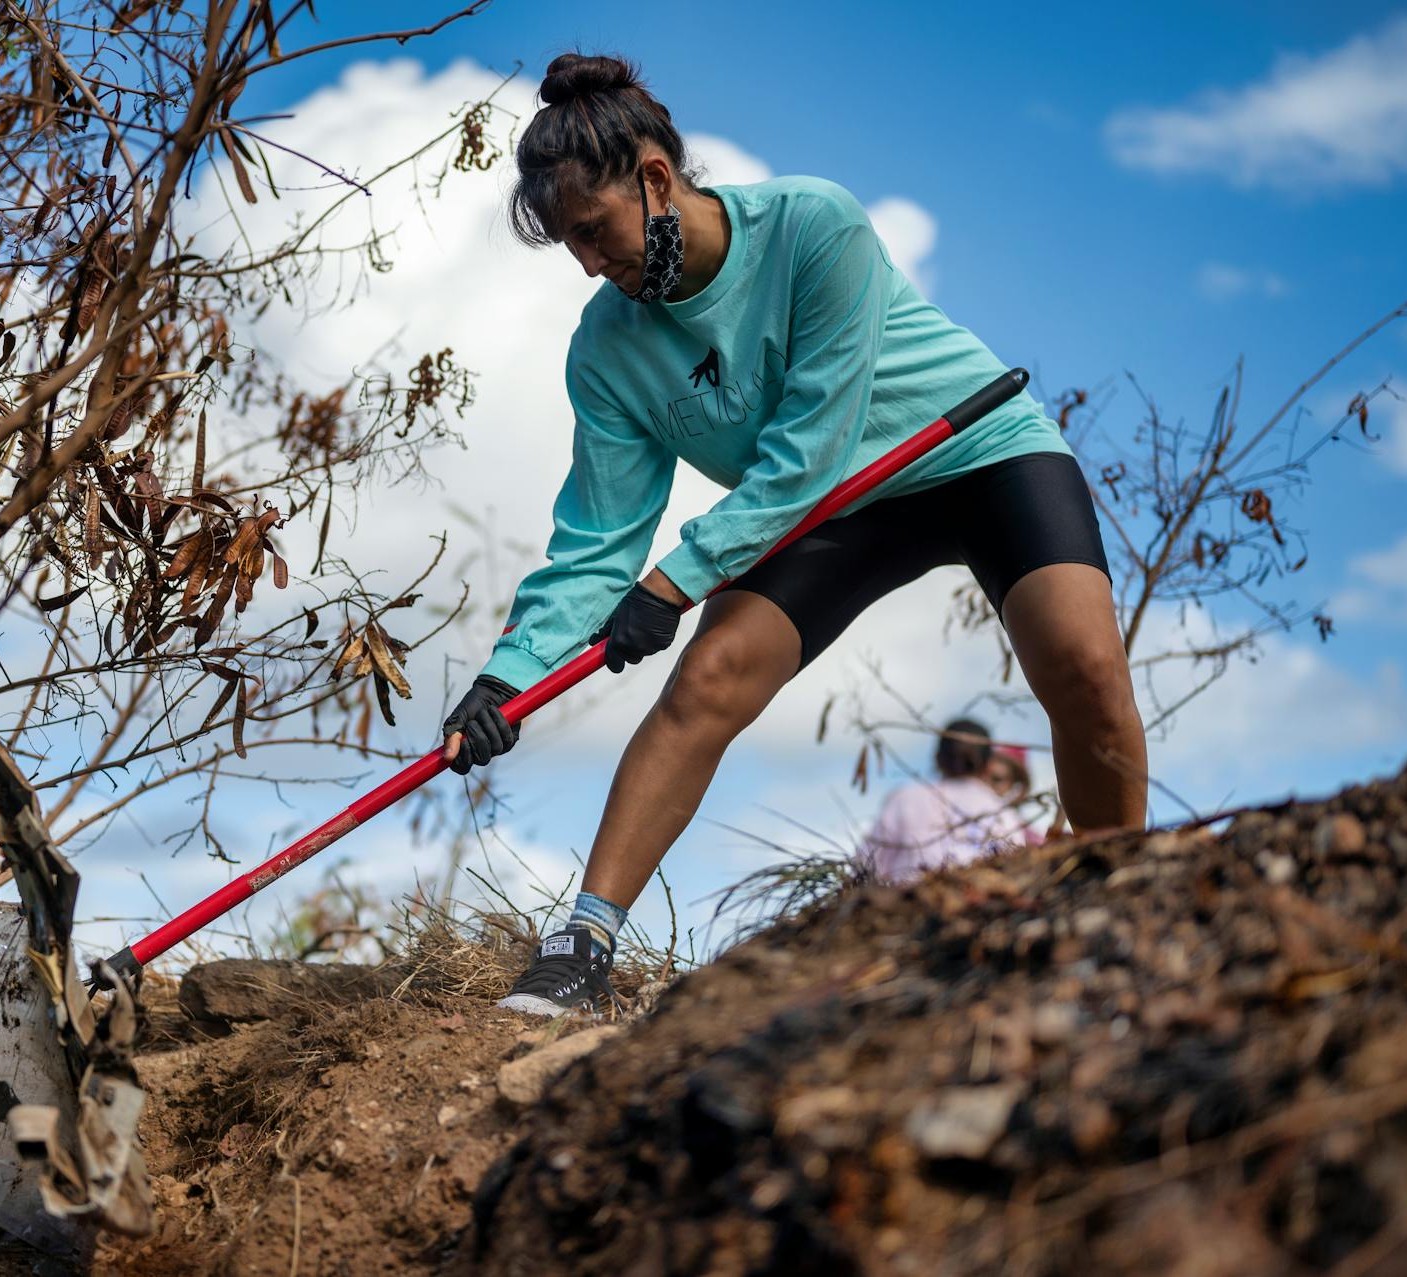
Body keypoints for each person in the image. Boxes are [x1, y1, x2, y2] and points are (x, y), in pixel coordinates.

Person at [440, 53, 1148, 1017]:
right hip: (831, 510)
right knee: (709, 677)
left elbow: (809, 449)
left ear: (655, 180)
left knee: (1084, 667)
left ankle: (1115, 899)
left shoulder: (814, 224)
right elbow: (598, 537)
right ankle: (580, 947)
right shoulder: (605, 349)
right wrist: (508, 677)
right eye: (571, 246)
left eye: (594, 231)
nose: (590, 265)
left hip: (973, 451)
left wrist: (670, 586)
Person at [862, 720, 1032, 883]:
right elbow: (1016, 873)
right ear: (987, 764)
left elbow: (866, 864)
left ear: (937, 757)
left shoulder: (904, 798)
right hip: (979, 902)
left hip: (904, 899)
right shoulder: (1005, 815)